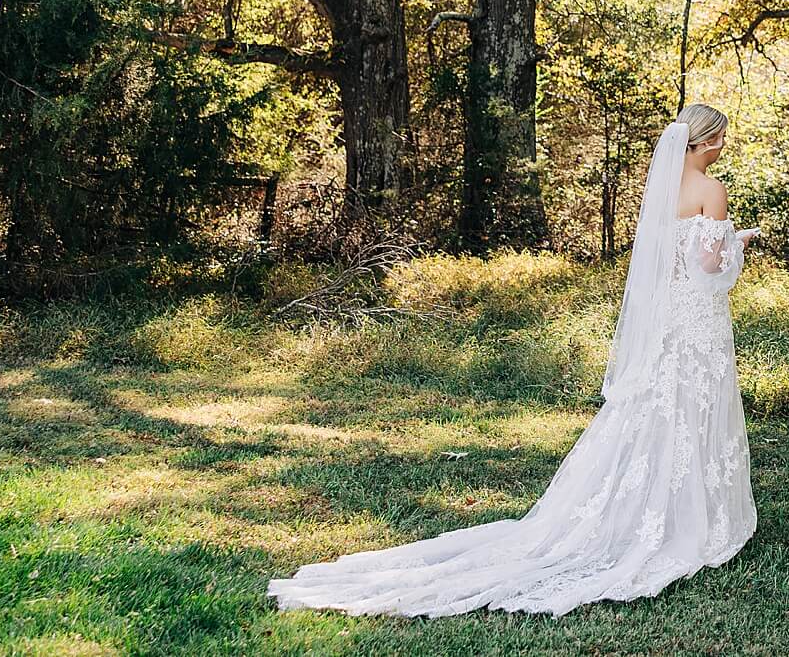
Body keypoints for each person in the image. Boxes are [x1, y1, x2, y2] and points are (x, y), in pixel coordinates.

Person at [269, 103, 759, 616]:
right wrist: (736, 245)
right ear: (705, 142)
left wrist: (719, 244)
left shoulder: (660, 191)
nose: (724, 146)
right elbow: (707, 267)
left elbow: (666, 260)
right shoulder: (712, 190)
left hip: (665, 320)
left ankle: (652, 508)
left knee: (657, 408)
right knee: (694, 406)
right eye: (721, 138)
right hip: (697, 321)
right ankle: (692, 517)